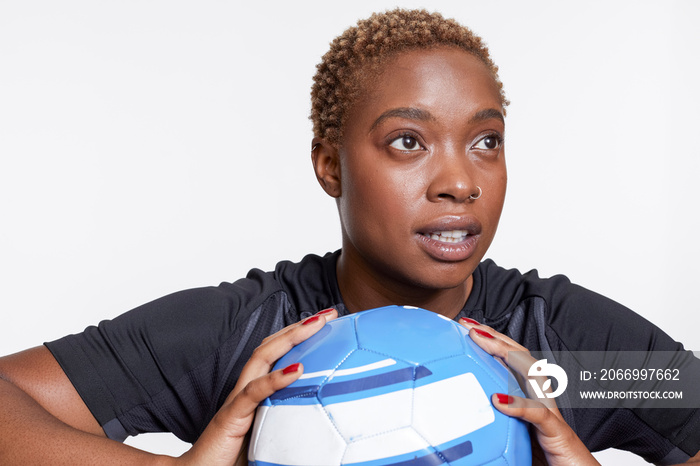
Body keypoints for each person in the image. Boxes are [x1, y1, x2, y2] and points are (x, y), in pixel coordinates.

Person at [1, 7, 698, 465]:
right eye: (408, 141)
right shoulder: (251, 336)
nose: (461, 181)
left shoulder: (560, 349)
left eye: (486, 140)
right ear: (330, 164)